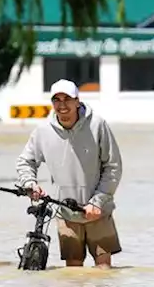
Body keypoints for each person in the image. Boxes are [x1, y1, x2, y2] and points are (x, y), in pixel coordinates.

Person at [15, 79, 123, 268]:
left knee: (104, 269)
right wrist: (30, 184)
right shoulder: (42, 131)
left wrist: (96, 202)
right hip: (65, 213)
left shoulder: (98, 125)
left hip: (99, 213)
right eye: (57, 100)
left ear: (77, 101)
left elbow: (113, 167)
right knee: (73, 272)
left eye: (67, 99)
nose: (62, 105)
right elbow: (25, 161)